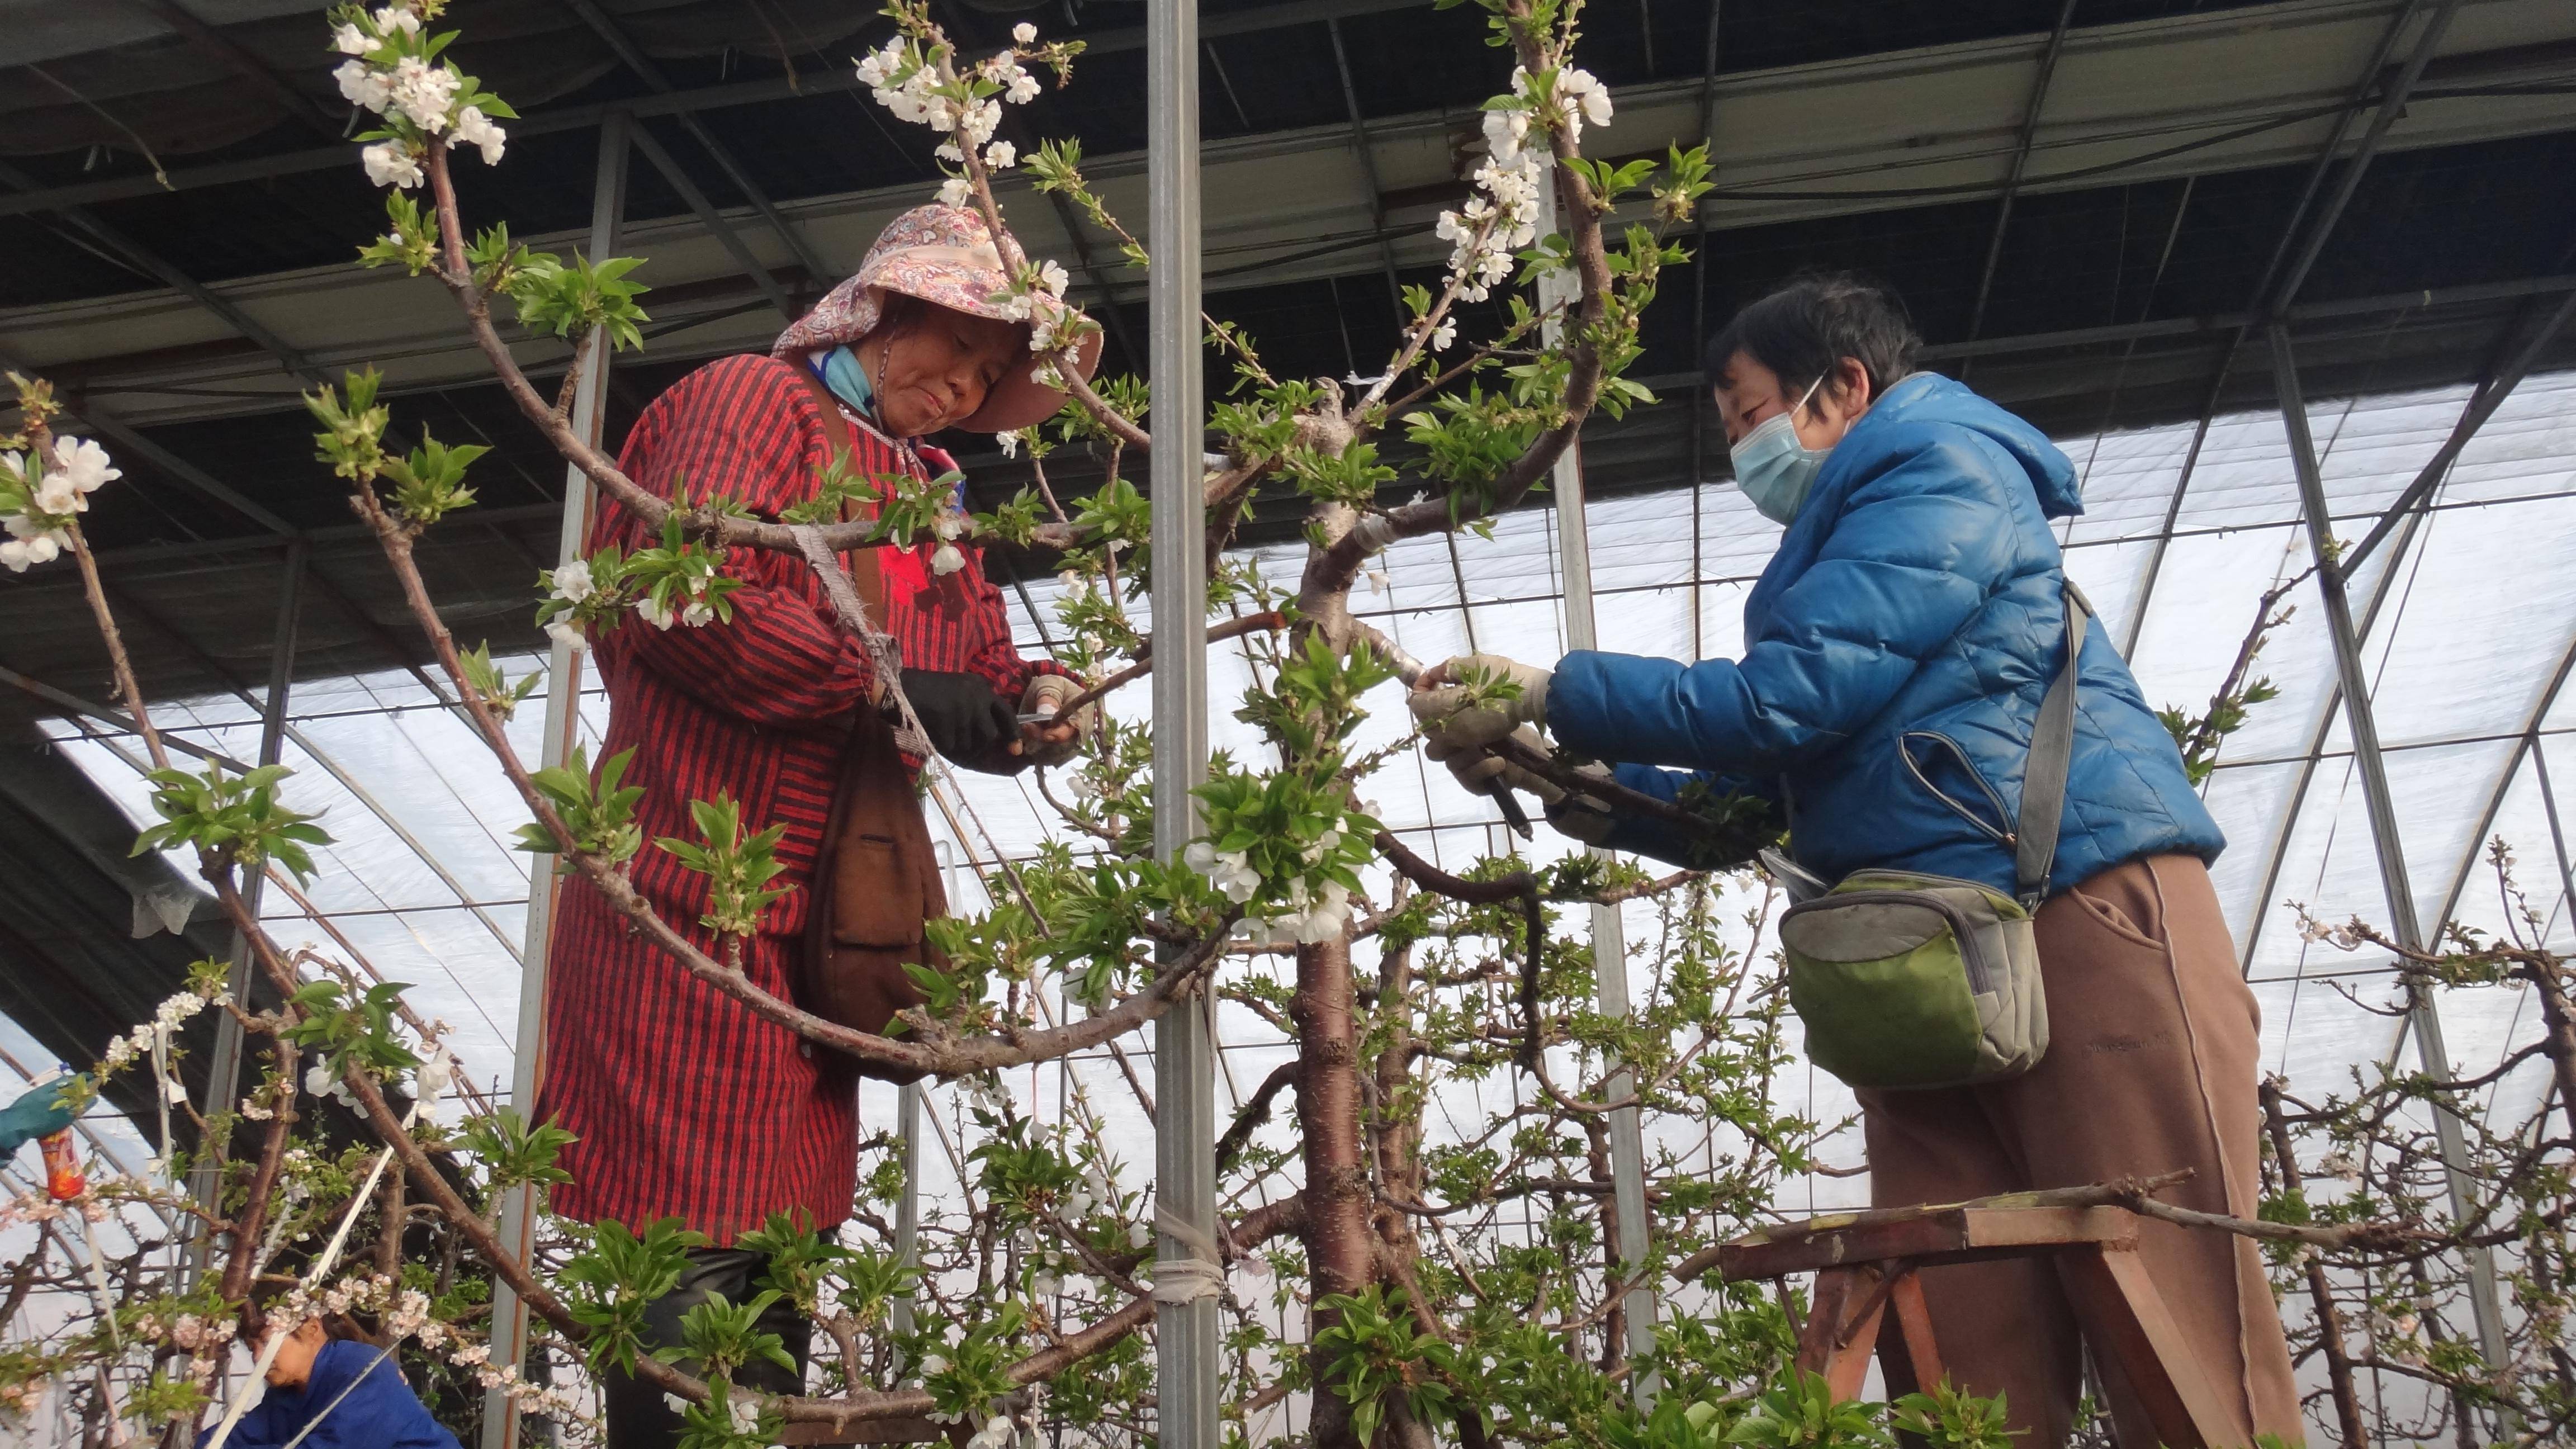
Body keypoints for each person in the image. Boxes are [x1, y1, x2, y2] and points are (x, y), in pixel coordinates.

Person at [1408, 273, 2302, 1446]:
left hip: (2080, 912)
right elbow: (1744, 802)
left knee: (2179, 1322)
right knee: (1964, 1353)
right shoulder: (1831, 560)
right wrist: (1550, 776)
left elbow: (1789, 703)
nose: (1742, 447)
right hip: (1921, 957)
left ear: (1844, 390)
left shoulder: (1944, 469)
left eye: (1748, 412)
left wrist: (1558, 688)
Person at [537, 204, 1101, 1448]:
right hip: (689, 889)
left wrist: (1026, 706)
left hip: (824, 934)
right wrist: (889, 681)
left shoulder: (929, 489)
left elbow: (973, 661)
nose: (967, 386)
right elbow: (688, 595)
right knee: (688, 1244)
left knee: (784, 1247)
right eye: (957, 349)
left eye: (993, 374)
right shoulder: (752, 401)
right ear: (882, 309)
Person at [196, 1316, 461, 1448]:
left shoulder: (362, 1369)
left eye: (267, 1342)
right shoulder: (285, 1396)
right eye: (252, 1347)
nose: (257, 1358)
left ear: (312, 1329)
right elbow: (229, 1439)